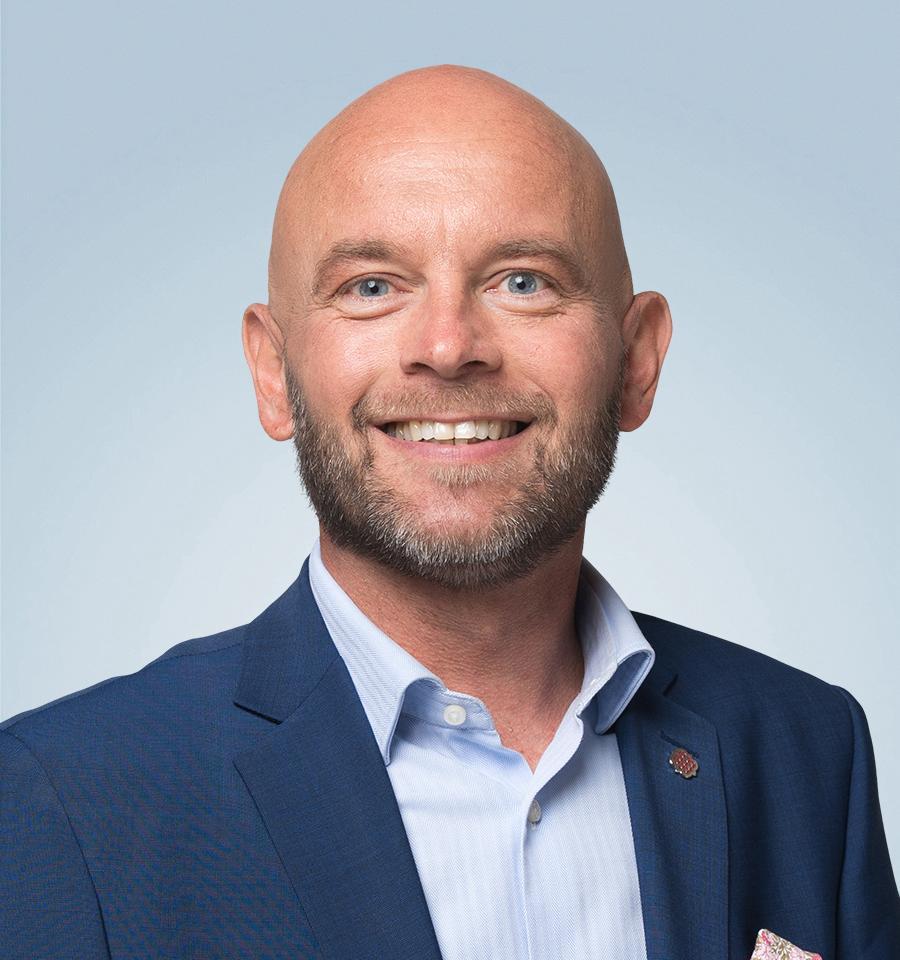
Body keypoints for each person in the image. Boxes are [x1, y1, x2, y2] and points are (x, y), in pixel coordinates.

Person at [1, 65, 897, 960]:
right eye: (371, 286)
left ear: (636, 361)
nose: (447, 346)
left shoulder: (808, 751)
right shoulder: (62, 801)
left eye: (523, 281)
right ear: (274, 374)